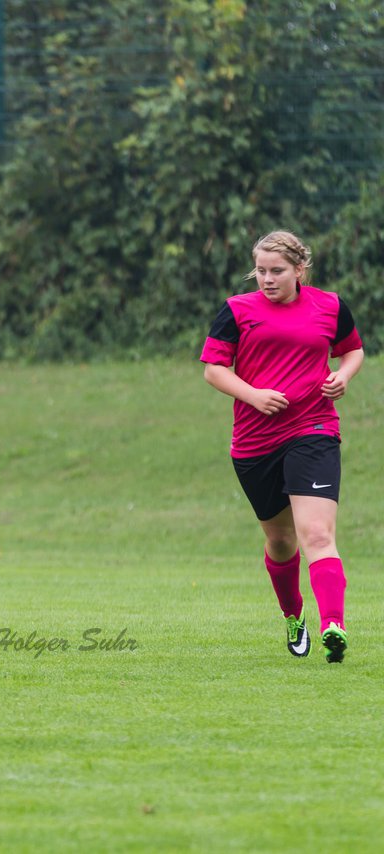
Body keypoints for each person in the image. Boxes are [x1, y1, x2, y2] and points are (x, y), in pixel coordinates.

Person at [201, 230, 364, 663]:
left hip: (314, 429)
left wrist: (343, 377)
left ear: (299, 270)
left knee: (317, 533)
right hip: (254, 442)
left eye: (277, 271)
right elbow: (214, 370)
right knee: (280, 541)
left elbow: (353, 351)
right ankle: (294, 615)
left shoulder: (329, 306)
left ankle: (334, 625)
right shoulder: (237, 311)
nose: (267, 279)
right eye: (260, 271)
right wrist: (253, 395)